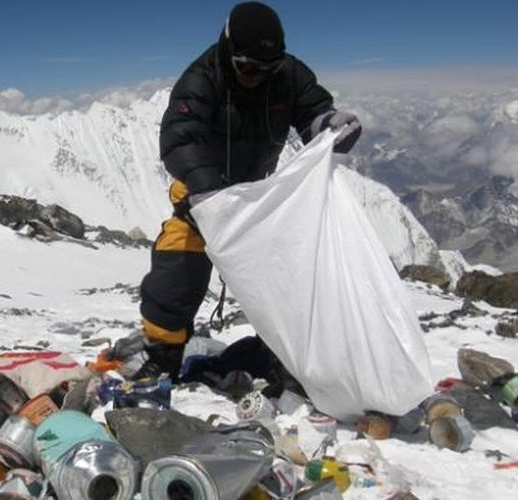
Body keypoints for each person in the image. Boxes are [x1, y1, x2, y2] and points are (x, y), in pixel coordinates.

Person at [135, 1, 362, 381]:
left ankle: (287, 356)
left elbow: (313, 111)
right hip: (200, 199)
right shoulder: (202, 79)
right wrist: (205, 188)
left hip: (259, 199)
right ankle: (163, 355)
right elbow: (178, 138)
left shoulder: (288, 75)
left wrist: (329, 124)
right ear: (228, 49)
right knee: (177, 270)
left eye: (266, 69)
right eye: (247, 67)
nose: (255, 76)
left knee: (289, 275)